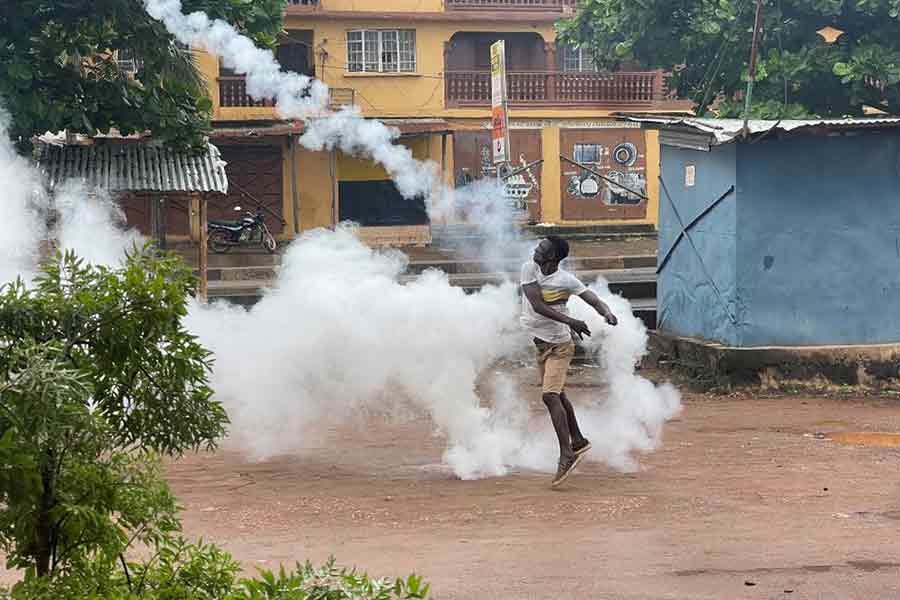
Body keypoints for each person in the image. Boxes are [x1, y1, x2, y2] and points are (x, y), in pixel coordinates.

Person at [521, 236, 618, 487]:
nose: (536, 250)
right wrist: (571, 321)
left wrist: (606, 312)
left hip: (560, 347)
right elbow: (537, 304)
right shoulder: (529, 268)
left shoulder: (565, 280)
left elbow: (592, 299)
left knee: (550, 396)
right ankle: (578, 440)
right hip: (541, 344)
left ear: (553, 257)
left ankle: (566, 453)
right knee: (559, 395)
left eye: (542, 249)